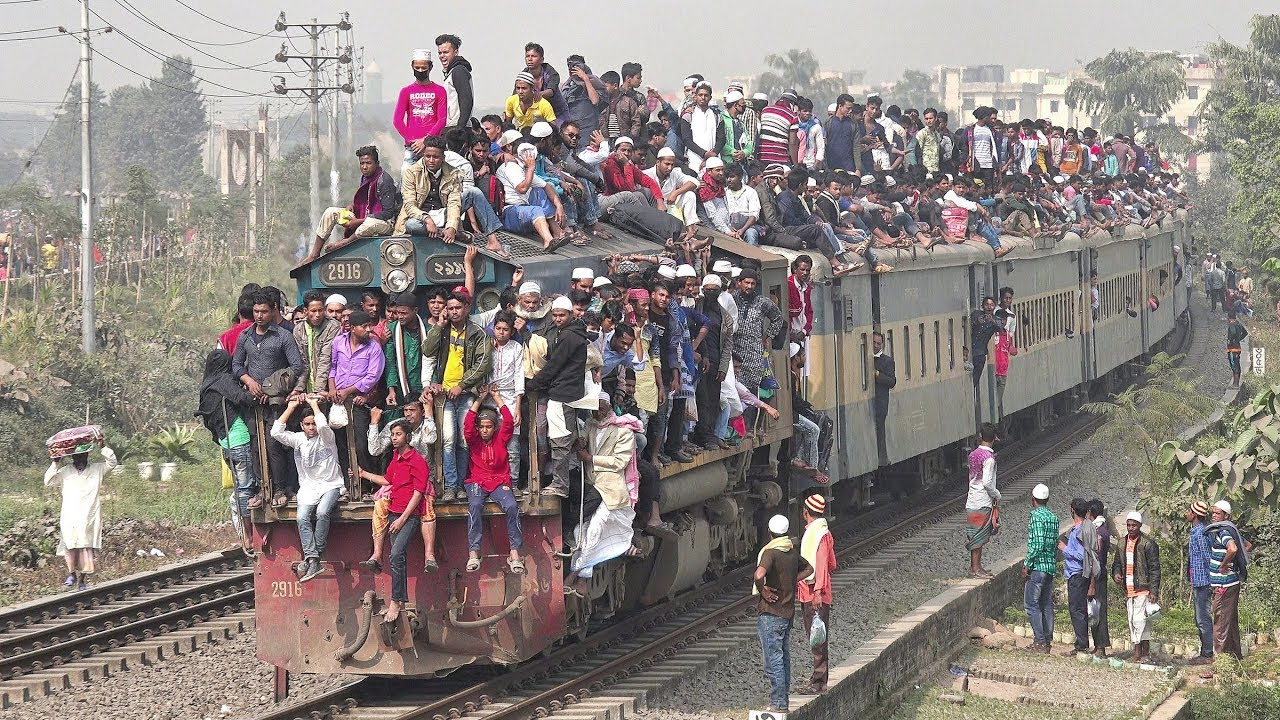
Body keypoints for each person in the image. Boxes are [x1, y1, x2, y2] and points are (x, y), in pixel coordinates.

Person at [564, 392, 644, 596]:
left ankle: (577, 575)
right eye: (594, 409)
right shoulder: (591, 425)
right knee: (580, 532)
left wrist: (590, 458)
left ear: (609, 407)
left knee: (594, 530)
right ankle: (582, 574)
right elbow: (582, 437)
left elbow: (620, 462)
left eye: (601, 408)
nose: (597, 413)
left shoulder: (624, 431)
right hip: (592, 486)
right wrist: (579, 443)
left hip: (611, 490)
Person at [232, 290, 304, 508]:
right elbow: (236, 365)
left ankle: (279, 489)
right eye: (256, 311)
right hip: (253, 402)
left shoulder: (283, 336)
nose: (259, 316)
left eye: (263, 311)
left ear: (273, 311)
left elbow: (297, 366)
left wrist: (271, 388)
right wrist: (249, 381)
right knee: (255, 445)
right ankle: (262, 489)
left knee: (275, 445)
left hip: (276, 403)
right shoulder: (245, 336)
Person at [422, 291, 494, 502]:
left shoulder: (478, 333)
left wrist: (461, 385)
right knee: (448, 440)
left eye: (457, 308)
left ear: (467, 309)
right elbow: (427, 350)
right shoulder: (443, 330)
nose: (454, 312)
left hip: (466, 394)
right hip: (444, 396)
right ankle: (450, 486)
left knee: (463, 440)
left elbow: (483, 364)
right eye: (450, 308)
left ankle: (461, 485)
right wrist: (439, 325)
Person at [358, 419, 431, 625]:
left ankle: (396, 602)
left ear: (408, 436)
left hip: (409, 516)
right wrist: (364, 474)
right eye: (392, 435)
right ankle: (400, 600)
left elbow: (418, 493)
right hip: (394, 513)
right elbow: (388, 480)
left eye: (398, 434)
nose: (394, 438)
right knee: (398, 558)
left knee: (396, 554)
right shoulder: (396, 458)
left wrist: (402, 519)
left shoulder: (417, 460)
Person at [271, 396, 344, 582]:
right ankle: (313, 559)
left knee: (322, 512)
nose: (312, 428)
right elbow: (276, 432)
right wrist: (292, 407)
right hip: (309, 487)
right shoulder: (299, 440)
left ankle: (312, 558)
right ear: (302, 426)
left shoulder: (327, 438)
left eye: (313, 424)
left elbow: (323, 426)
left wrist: (313, 405)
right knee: (301, 517)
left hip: (331, 484)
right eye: (307, 424)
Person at [527, 297, 589, 498]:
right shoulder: (573, 333)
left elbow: (554, 365)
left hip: (562, 394)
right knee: (564, 437)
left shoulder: (568, 336)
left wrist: (533, 384)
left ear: (570, 314)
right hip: (569, 392)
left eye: (562, 315)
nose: (557, 319)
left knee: (560, 440)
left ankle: (560, 484)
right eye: (554, 315)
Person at [365, 402, 437, 571]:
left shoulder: (425, 426)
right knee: (380, 503)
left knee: (426, 504)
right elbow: (375, 449)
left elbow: (430, 439)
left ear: (421, 411)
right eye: (406, 410)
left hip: (423, 481)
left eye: (412, 410)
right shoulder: (396, 427)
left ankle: (429, 555)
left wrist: (429, 413)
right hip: (400, 480)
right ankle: (377, 554)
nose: (408, 414)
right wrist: (374, 423)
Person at [754, 514, 813, 713]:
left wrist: (762, 590)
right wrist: (792, 579)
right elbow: (809, 568)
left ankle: (778, 703)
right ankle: (783, 699)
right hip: (787, 613)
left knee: (773, 661)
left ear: (769, 533)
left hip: (771, 613)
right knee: (783, 657)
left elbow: (759, 574)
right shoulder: (791, 552)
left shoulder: (770, 553)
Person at [462, 387, 524, 574]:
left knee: (512, 506)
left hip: (499, 480)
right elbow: (468, 423)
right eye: (481, 427)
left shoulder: (501, 438)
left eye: (488, 427)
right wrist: (479, 399)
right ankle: (474, 552)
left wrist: (497, 397)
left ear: (495, 427)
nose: (484, 430)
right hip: (477, 481)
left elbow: (509, 420)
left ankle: (514, 553)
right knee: (474, 506)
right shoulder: (474, 440)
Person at [304, 146, 402, 264]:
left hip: (384, 223)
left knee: (369, 223)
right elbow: (366, 202)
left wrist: (358, 221)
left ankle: (346, 242)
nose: (364, 167)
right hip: (363, 218)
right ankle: (314, 254)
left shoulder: (384, 180)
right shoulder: (365, 177)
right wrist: (352, 207)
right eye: (362, 163)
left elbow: (388, 213)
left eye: (368, 163)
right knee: (331, 212)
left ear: (377, 163)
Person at [196, 349, 260, 520]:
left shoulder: (207, 387)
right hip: (240, 440)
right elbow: (242, 398)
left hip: (226, 444)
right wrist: (258, 392)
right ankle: (249, 530)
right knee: (246, 488)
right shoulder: (224, 381)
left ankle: (243, 528)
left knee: (240, 487)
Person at [44, 442, 117, 590]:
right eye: (77, 456)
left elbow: (112, 462)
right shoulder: (65, 471)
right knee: (70, 545)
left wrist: (103, 446)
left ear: (87, 455)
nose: (80, 459)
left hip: (89, 515)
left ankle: (82, 580)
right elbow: (49, 482)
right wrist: (55, 462)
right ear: (72, 457)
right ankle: (72, 574)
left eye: (83, 456)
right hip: (70, 515)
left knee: (85, 547)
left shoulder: (97, 469)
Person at [327, 309, 385, 488]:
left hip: (359, 400)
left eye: (369, 326)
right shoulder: (338, 342)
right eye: (364, 326)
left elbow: (372, 376)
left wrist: (348, 391)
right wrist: (332, 389)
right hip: (338, 400)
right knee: (341, 444)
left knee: (361, 444)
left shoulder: (374, 347)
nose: (368, 330)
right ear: (352, 328)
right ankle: (348, 485)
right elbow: (333, 367)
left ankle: (367, 486)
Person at [797, 493, 835, 695]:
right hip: (811, 592)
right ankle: (817, 678)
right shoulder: (821, 532)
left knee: (817, 638)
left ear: (806, 512)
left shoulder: (817, 535)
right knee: (816, 637)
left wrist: (818, 591)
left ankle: (819, 681)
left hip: (814, 594)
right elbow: (832, 563)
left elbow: (821, 564)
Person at [1111, 510, 1160, 662]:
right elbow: (1116, 564)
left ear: (1140, 526)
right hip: (1129, 588)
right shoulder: (1122, 543)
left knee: (1140, 621)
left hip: (1143, 588)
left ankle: (1140, 653)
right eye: (1129, 525)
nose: (1131, 528)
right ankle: (1142, 652)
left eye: (1134, 525)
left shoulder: (1147, 544)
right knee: (1134, 621)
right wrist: (1116, 574)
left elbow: (1154, 569)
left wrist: (1153, 591)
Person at [396, 137, 463, 241]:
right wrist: (427, 219)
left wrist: (451, 227)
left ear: (443, 157)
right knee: (411, 225)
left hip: (443, 215)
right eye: (428, 156)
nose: (431, 161)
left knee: (473, 194)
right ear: (423, 155)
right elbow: (409, 205)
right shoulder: (411, 172)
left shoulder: (453, 173)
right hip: (421, 217)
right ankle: (442, 233)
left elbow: (454, 203)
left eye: (435, 157)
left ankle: (489, 235)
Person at [1206, 499, 1249, 660]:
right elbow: (1247, 545)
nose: (1214, 516)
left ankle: (1220, 662)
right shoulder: (1231, 530)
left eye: (1217, 513)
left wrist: (1224, 565)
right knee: (1230, 622)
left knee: (1220, 622)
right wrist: (1236, 561)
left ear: (1226, 516)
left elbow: (1233, 548)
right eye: (1213, 513)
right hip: (1231, 583)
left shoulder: (1224, 532)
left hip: (1224, 584)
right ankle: (1235, 656)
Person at [1059, 497, 1099, 656]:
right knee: (1078, 609)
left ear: (1072, 511)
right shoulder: (1081, 528)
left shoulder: (1080, 530)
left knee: (1077, 609)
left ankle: (1081, 645)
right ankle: (1081, 642)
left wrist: (1065, 548)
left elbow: (1083, 555)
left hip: (1077, 573)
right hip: (1075, 573)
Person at [394, 49, 448, 165]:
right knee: (407, 174)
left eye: (423, 68)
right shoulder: (406, 91)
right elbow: (397, 120)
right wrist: (412, 140)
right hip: (413, 147)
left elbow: (442, 119)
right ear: (412, 66)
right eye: (417, 68)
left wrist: (425, 140)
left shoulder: (440, 91)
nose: (420, 71)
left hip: (433, 147)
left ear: (430, 67)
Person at [1024, 483, 1058, 652]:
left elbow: (1037, 544)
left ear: (1033, 499)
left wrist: (1027, 564)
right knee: (1046, 604)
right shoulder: (1053, 518)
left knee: (1032, 604)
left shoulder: (1036, 516)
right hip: (1050, 566)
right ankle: (1047, 640)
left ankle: (1039, 641)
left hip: (1038, 566)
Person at [964, 424, 1001, 578]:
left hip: (972, 499)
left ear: (980, 436)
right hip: (983, 501)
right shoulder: (989, 459)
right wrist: (997, 494)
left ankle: (976, 567)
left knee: (975, 533)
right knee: (979, 535)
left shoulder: (973, 454)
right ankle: (976, 569)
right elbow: (987, 482)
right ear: (995, 438)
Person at [292, 290, 342, 397]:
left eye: (320, 310)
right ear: (305, 311)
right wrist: (299, 388)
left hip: (328, 386)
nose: (318, 315)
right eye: (313, 311)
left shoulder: (333, 326)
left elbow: (326, 358)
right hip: (306, 386)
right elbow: (302, 362)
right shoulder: (299, 329)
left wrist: (318, 390)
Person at [1186, 500, 1215, 664]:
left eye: (1189, 511)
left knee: (1203, 618)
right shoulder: (1195, 531)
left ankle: (1207, 653)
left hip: (1204, 581)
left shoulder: (1200, 533)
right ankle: (1205, 651)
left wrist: (1213, 581)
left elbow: (1207, 557)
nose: (1187, 514)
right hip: (1198, 580)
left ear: (1195, 515)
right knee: (1200, 618)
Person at [1087, 499, 1114, 658]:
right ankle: (1098, 644)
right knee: (1094, 610)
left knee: (1099, 611)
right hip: (1097, 574)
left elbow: (1095, 559)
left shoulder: (1099, 532)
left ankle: (1101, 646)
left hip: (1096, 576)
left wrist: (1091, 583)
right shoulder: (1100, 529)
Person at [435, 35, 473, 132]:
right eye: (440, 53)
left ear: (456, 52)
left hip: (457, 127)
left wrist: (459, 128)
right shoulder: (450, 73)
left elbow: (466, 99)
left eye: (446, 52)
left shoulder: (459, 71)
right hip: (452, 126)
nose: (442, 56)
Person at [872, 331, 896, 466]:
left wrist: (878, 375)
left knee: (880, 430)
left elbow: (892, 381)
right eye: (874, 343)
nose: (875, 346)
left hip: (880, 403)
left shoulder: (887, 361)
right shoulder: (866, 358)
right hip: (871, 401)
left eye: (878, 343)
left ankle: (881, 458)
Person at [1227, 313, 1248, 388]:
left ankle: (1235, 384)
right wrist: (1239, 339)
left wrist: (1230, 340)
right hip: (1238, 347)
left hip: (1232, 348)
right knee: (1237, 365)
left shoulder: (1232, 324)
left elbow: (1233, 332)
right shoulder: (1239, 324)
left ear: (1229, 318)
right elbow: (1245, 333)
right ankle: (1236, 383)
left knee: (1234, 366)